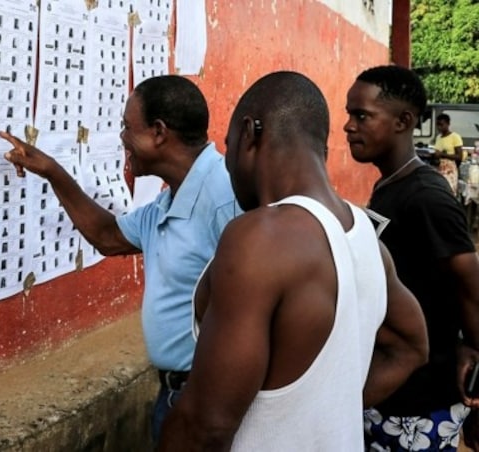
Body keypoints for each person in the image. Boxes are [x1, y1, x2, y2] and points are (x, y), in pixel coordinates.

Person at [158, 71, 428, 450]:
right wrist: (330, 413)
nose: (229, 163)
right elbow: (411, 346)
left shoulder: (260, 239)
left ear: (251, 132)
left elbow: (204, 427)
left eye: (228, 145)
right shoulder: (366, 234)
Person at [0, 75, 241, 443]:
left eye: (127, 127)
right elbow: (108, 237)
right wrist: (52, 171)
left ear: (159, 132)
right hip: (176, 396)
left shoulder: (225, 195)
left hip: (209, 406)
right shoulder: (170, 200)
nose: (122, 138)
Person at [345, 64, 479, 450]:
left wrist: (472, 348)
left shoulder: (427, 197)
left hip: (420, 405)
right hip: (388, 394)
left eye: (362, 116)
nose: (348, 126)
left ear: (403, 121)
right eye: (349, 115)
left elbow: (470, 284)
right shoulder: (391, 186)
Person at [433, 113, 464, 195]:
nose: (439, 127)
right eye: (437, 125)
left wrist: (443, 155)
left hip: (450, 170)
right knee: (439, 193)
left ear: (448, 124)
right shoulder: (438, 138)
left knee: (449, 193)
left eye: (441, 125)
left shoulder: (455, 137)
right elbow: (437, 153)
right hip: (439, 169)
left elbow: (459, 157)